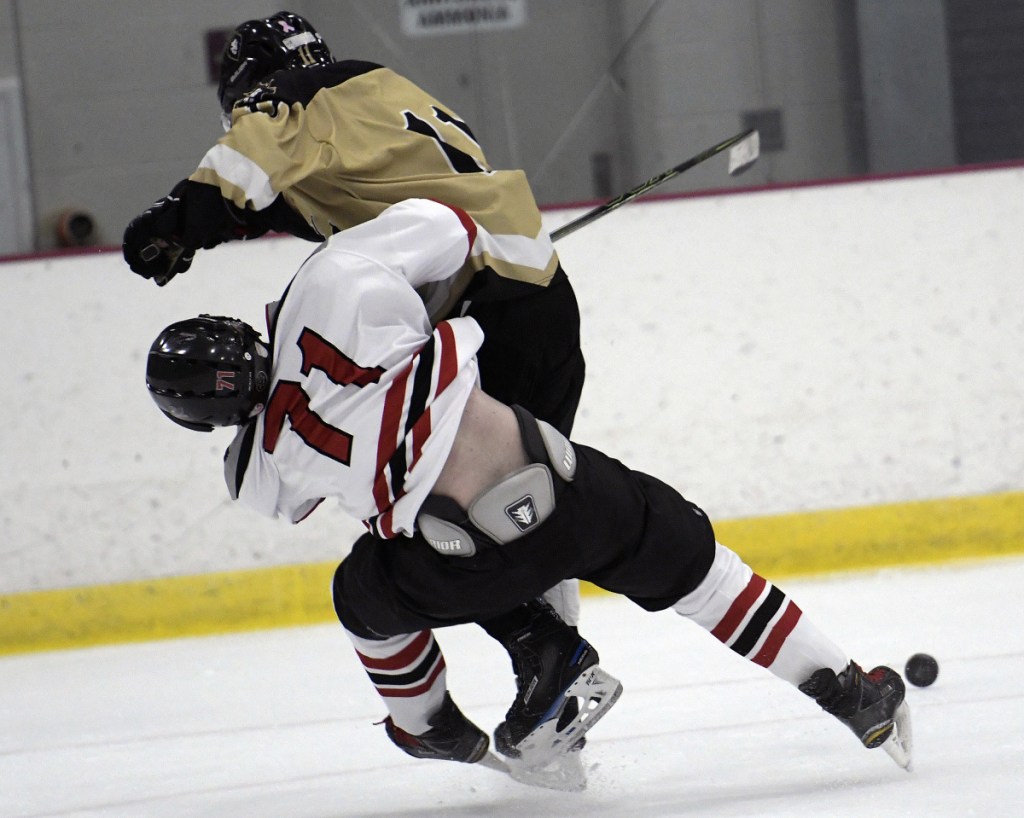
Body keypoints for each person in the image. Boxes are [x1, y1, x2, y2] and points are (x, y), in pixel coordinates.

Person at [145, 198, 913, 787]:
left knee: (364, 590)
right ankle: (850, 692)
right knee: (698, 570)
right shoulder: (329, 278)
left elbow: (286, 479)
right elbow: (451, 226)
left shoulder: (257, 467)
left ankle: (434, 719)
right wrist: (416, 299)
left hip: (465, 567)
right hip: (569, 498)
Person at [122, 8, 585, 737]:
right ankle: (561, 682)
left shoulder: (295, 99)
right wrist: (231, 223)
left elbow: (246, 163)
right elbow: (310, 201)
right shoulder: (374, 98)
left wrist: (171, 223)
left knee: (423, 497)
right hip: (541, 295)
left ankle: (550, 654)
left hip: (480, 316)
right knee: (530, 499)